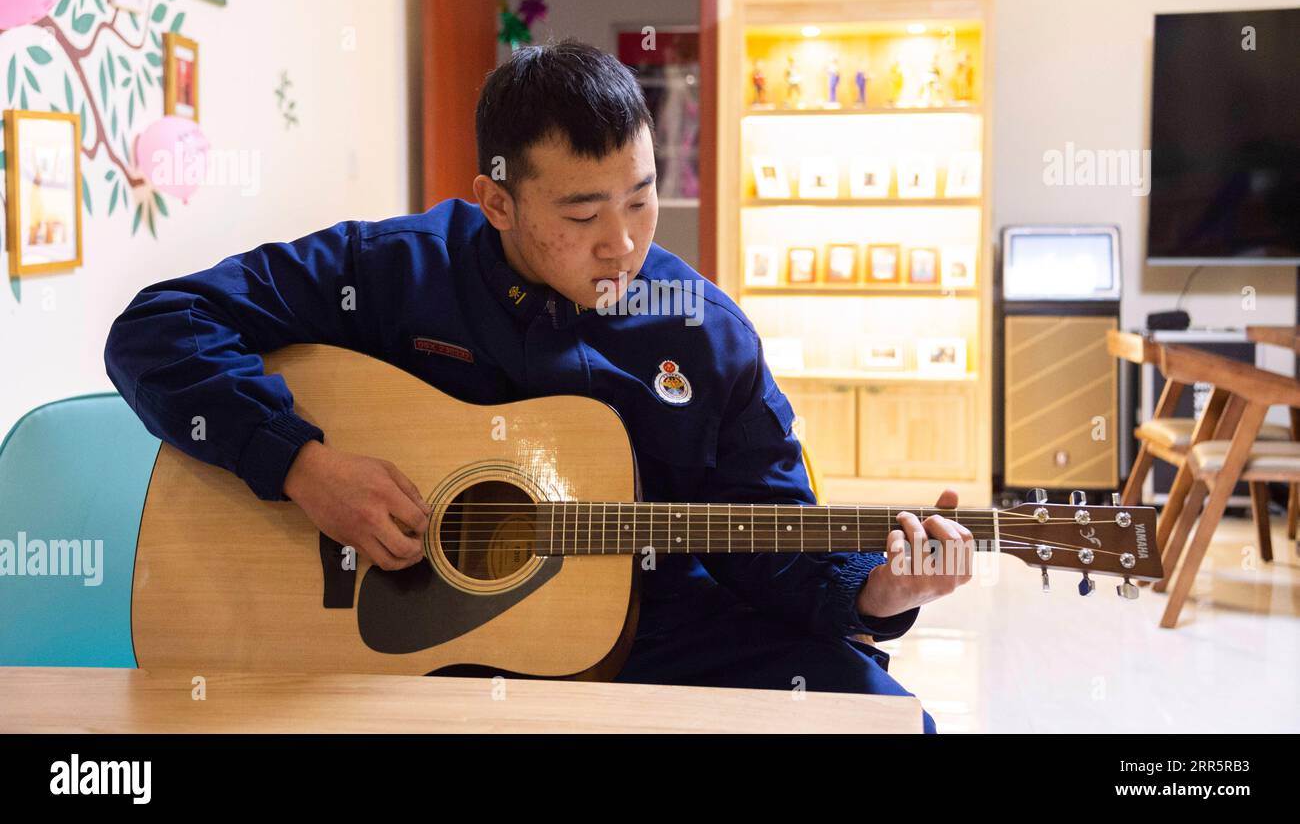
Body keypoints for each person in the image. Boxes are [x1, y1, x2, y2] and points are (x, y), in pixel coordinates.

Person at [104, 39, 973, 733]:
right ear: (497, 202)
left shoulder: (704, 333)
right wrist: (302, 464)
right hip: (406, 640)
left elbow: (770, 532)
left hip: (653, 625)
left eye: (642, 199)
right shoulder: (395, 271)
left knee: (886, 721)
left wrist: (874, 590)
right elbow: (158, 328)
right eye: (583, 214)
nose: (623, 244)